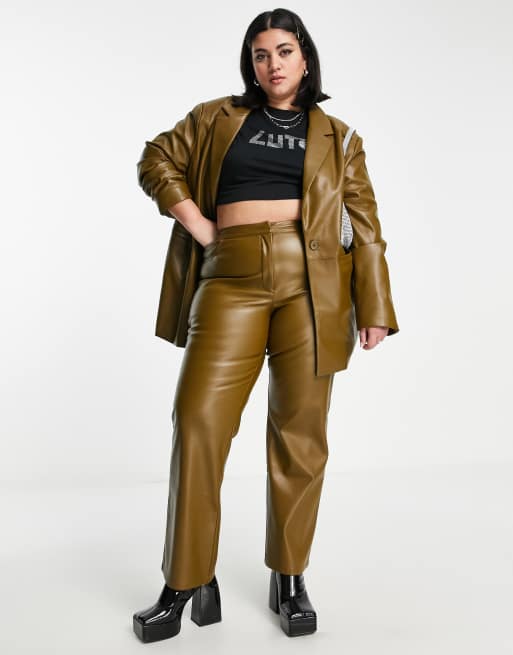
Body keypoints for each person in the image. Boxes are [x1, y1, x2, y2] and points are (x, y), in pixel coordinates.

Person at [132, 7, 399, 642]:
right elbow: (155, 158)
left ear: (305, 58)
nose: (272, 64)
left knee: (300, 434)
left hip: (314, 284)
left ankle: (289, 576)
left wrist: (376, 308)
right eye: (260, 54)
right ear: (250, 65)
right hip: (230, 277)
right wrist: (201, 226)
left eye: (283, 51)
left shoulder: (339, 137)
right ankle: (186, 580)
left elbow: (365, 226)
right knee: (198, 421)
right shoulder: (216, 118)